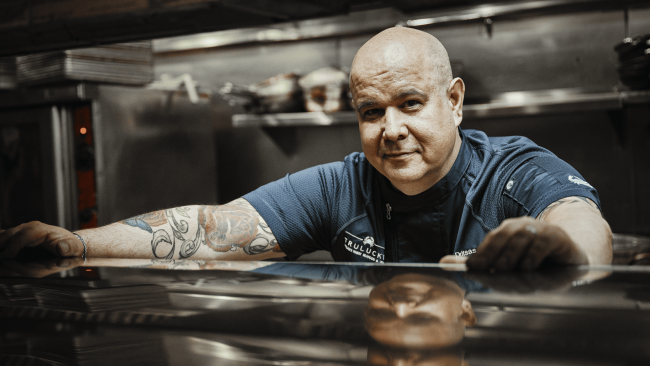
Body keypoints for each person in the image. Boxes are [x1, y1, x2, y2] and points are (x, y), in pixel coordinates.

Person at [0, 27, 612, 271]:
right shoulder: (340, 185)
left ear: (454, 101)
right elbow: (210, 228)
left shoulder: (512, 168)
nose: (390, 129)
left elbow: (583, 224)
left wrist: (556, 250)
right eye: (371, 112)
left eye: (410, 104)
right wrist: (79, 243)